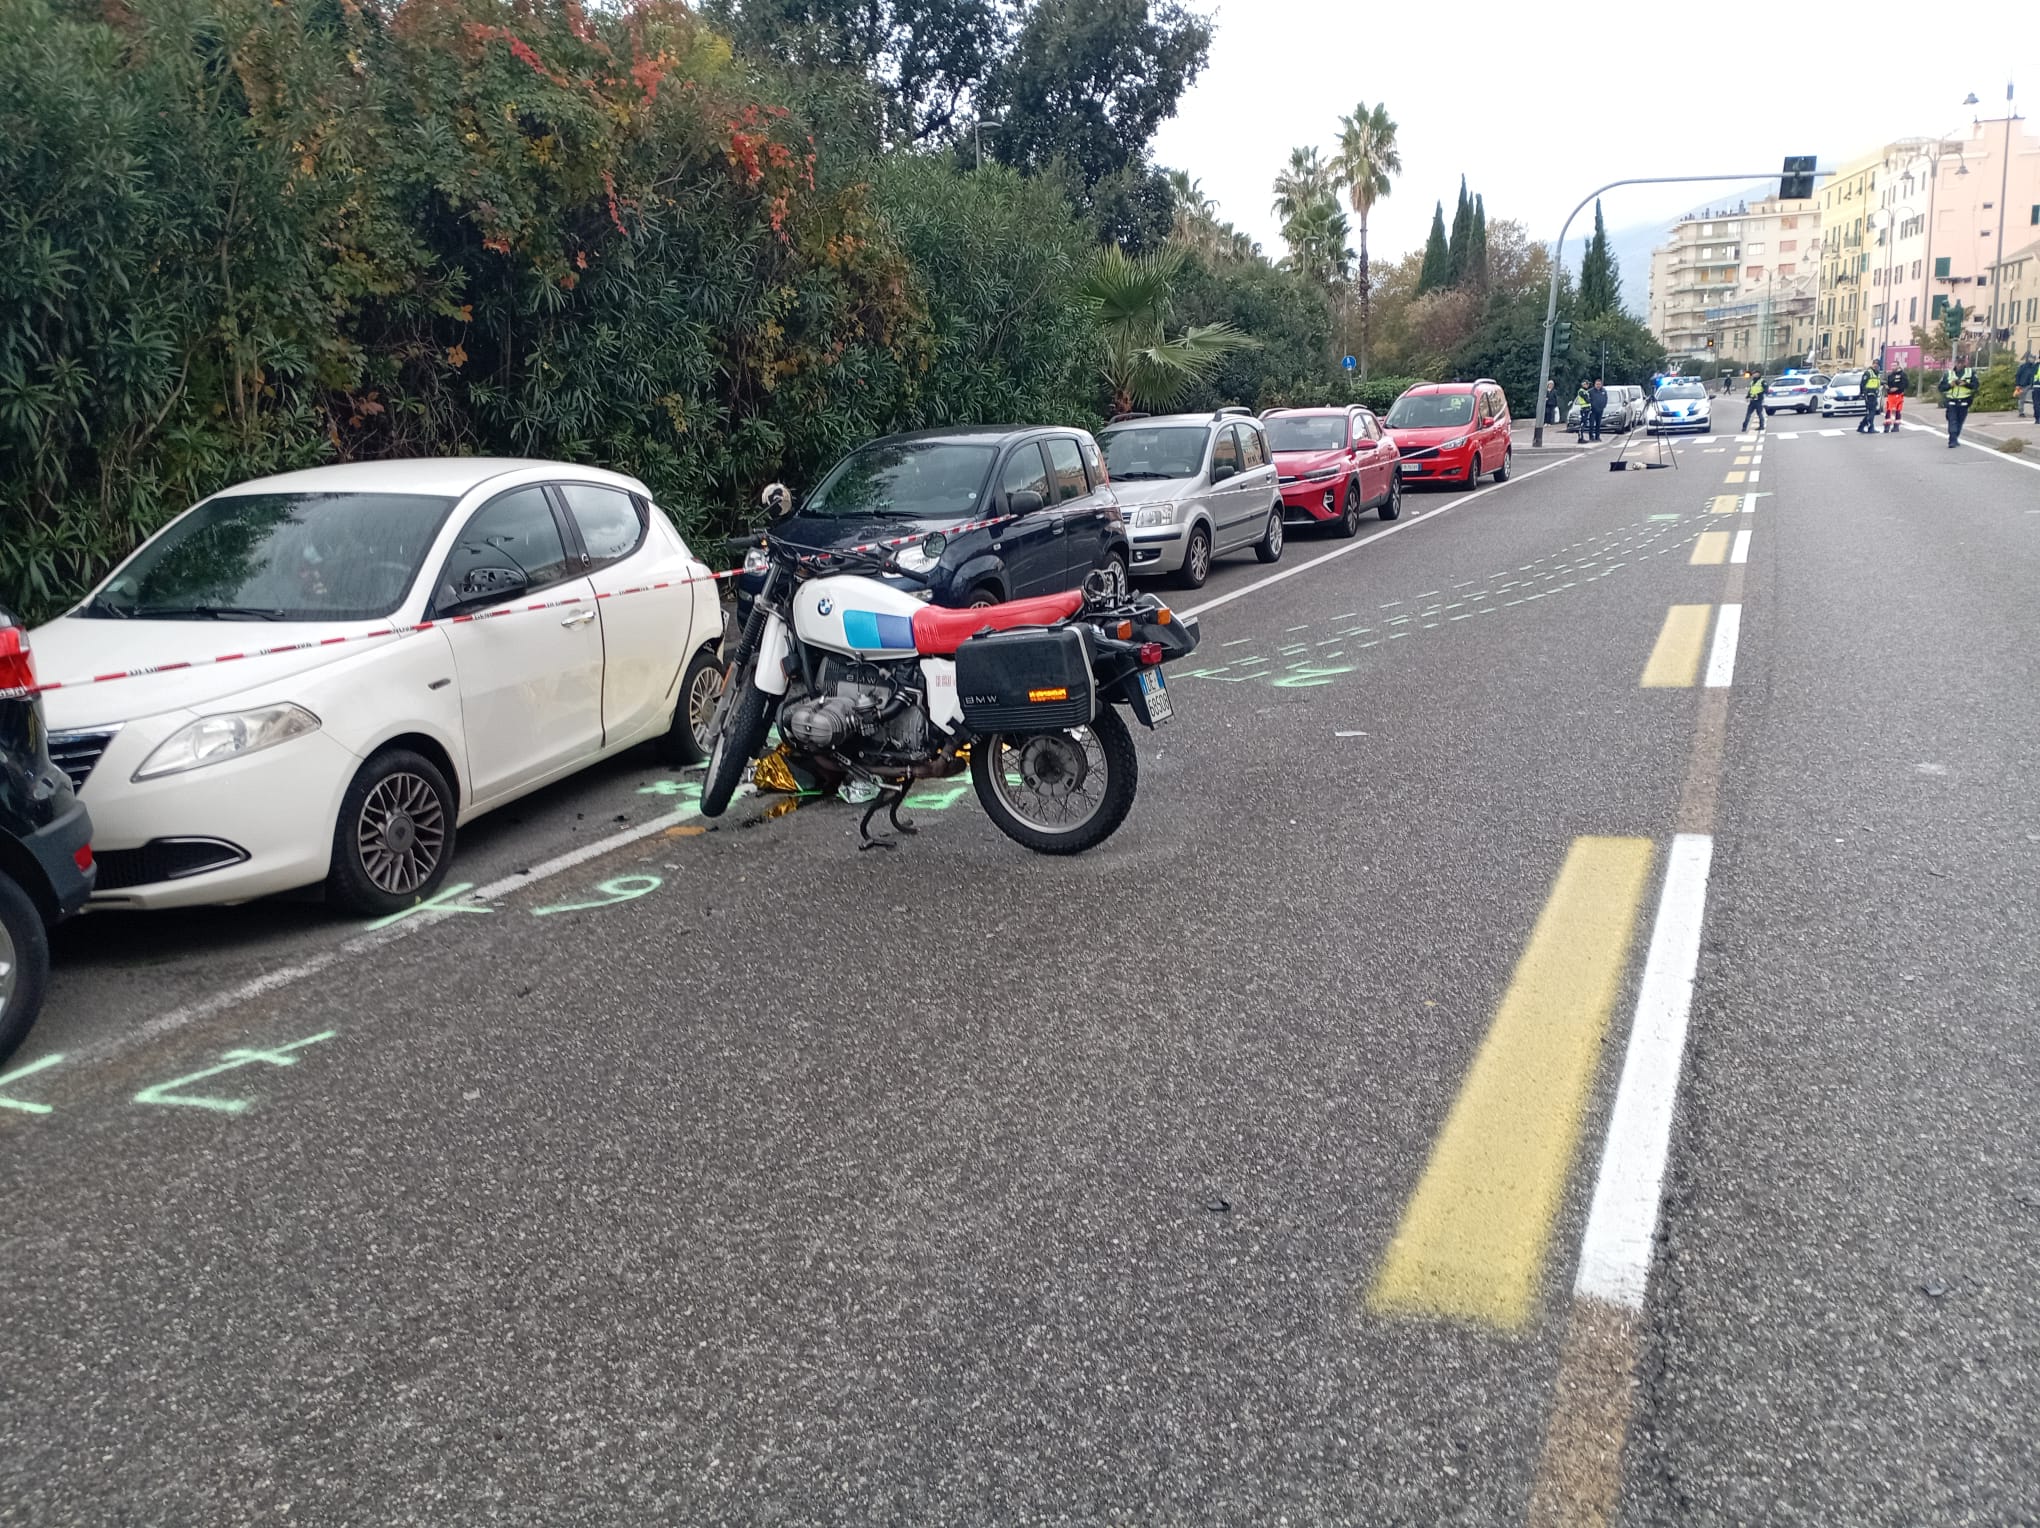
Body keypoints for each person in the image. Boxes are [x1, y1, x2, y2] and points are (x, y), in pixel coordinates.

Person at [1940, 356, 1979, 447]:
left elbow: (1976, 385)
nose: (1960, 364)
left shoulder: (1971, 372)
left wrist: (1966, 384)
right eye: (1958, 362)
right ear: (1955, 363)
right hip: (1952, 401)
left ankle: (1955, 438)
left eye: (1962, 362)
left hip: (1965, 401)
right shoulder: (1948, 373)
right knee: (1952, 421)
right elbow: (1941, 388)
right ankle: (1952, 440)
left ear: (1965, 363)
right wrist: (1950, 385)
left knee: (1960, 421)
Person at [1855, 363, 1883, 434]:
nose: (1876, 366)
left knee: (1870, 412)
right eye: (1875, 364)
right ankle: (1871, 428)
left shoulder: (1877, 373)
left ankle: (1861, 427)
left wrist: (1884, 384)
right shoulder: (1868, 373)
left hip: (1874, 394)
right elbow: (1862, 383)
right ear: (1872, 365)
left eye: (1877, 365)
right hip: (1869, 395)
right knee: (1871, 412)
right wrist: (1862, 393)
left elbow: (1877, 383)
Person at [1882, 364, 1906, 432]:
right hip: (1890, 395)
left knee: (1898, 410)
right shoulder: (1890, 375)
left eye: (1894, 365)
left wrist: (1897, 388)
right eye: (1892, 366)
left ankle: (1896, 426)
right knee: (1888, 409)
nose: (1893, 367)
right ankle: (1887, 426)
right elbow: (1886, 382)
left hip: (1898, 395)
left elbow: (1905, 384)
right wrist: (1886, 386)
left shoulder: (1902, 374)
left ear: (1898, 366)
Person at [2017, 356, 2037, 420]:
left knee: (2035, 399)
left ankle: (2036, 412)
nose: (2033, 360)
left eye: (2034, 359)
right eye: (2031, 358)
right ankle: (2021, 412)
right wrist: (2017, 384)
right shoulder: (2023, 366)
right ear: (2028, 359)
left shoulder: (2034, 366)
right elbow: (2018, 375)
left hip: (2032, 385)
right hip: (2023, 385)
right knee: (2022, 399)